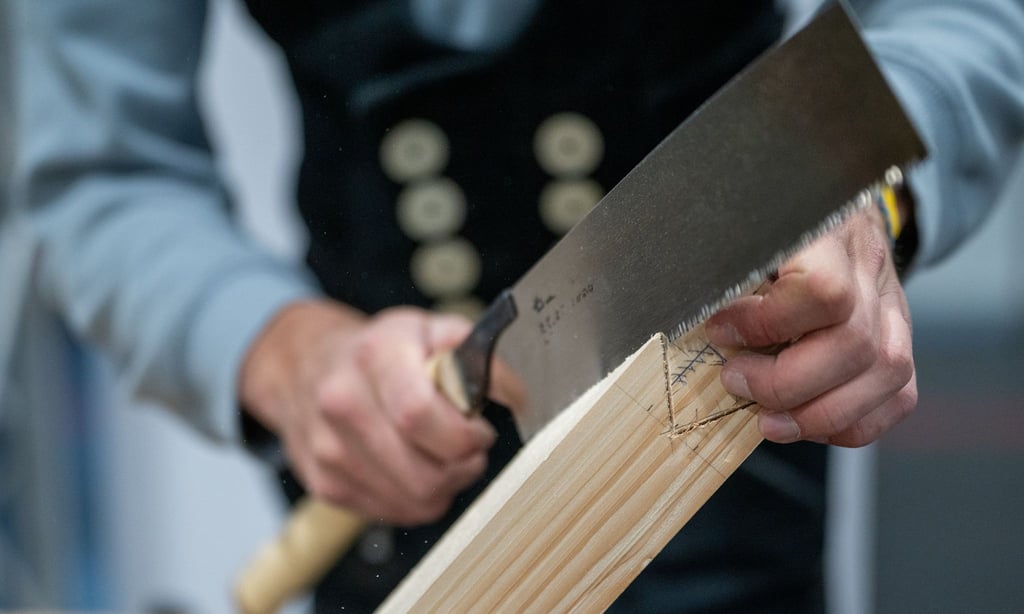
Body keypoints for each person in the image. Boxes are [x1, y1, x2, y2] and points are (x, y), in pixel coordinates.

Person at [3, 0, 1023, 611]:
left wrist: (861, 186)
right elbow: (104, 169)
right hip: (392, 512)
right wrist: (285, 351)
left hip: (732, 484)